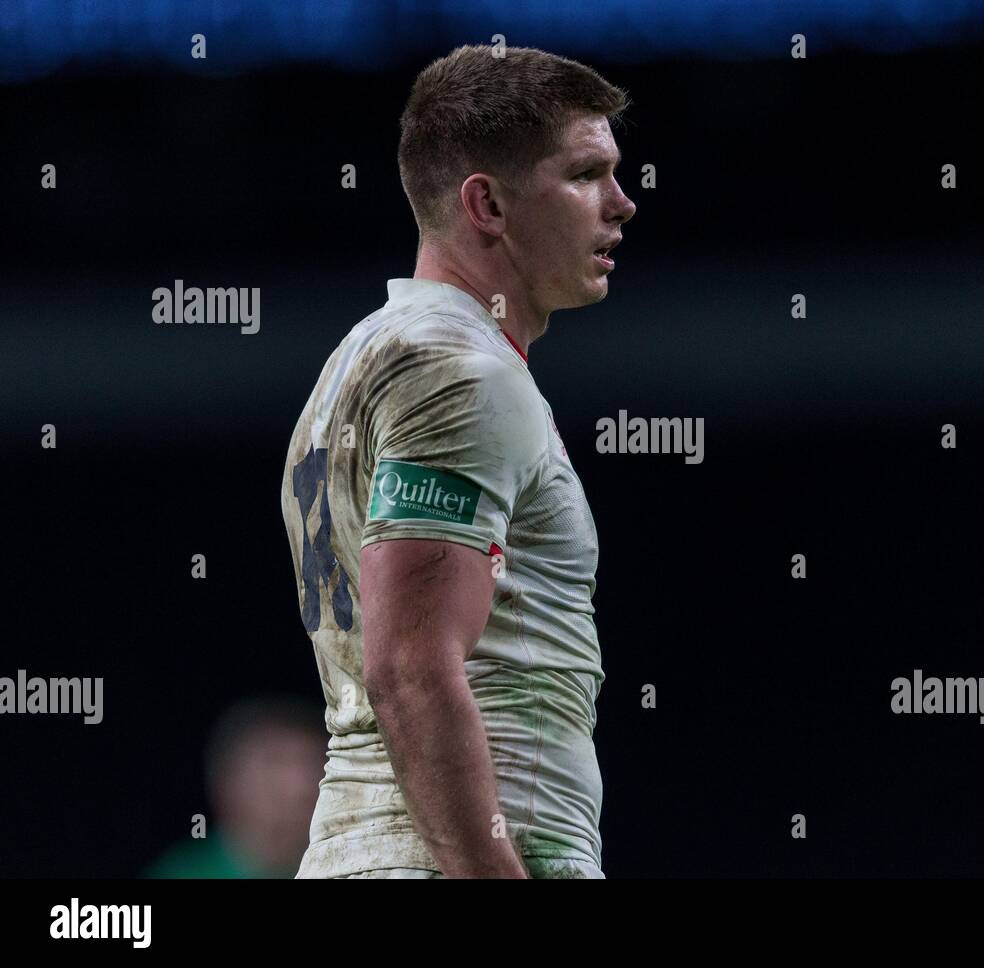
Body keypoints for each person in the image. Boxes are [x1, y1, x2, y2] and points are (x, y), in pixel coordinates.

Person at [280, 44, 636, 879]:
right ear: (488, 204)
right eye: (586, 174)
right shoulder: (459, 371)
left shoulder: (359, 361)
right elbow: (409, 667)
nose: (621, 203)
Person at [145, 697, 323, 878]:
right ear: (227, 780)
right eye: (274, 763)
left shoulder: (342, 865)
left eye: (314, 763)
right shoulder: (181, 873)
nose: (300, 787)